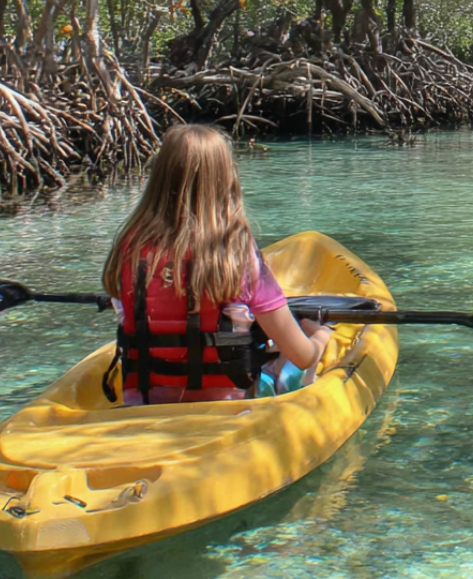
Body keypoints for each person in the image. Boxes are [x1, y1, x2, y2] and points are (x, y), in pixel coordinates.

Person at [101, 124, 331, 405]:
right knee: (288, 360)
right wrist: (319, 337)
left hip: (144, 406)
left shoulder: (129, 249)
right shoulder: (236, 253)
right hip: (222, 411)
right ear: (226, 179)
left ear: (159, 177)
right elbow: (302, 355)